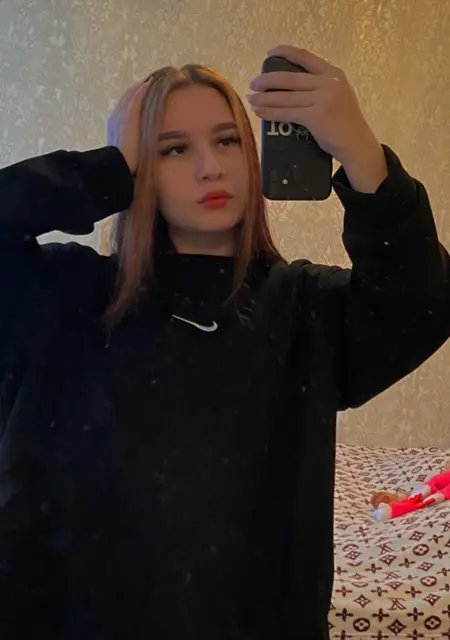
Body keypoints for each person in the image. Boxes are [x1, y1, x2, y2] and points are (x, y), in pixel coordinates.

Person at [0, 43, 449, 640]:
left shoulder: (305, 309)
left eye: (228, 140)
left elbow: (424, 301)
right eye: (173, 148)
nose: (210, 167)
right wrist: (106, 171)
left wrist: (361, 151)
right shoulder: (59, 294)